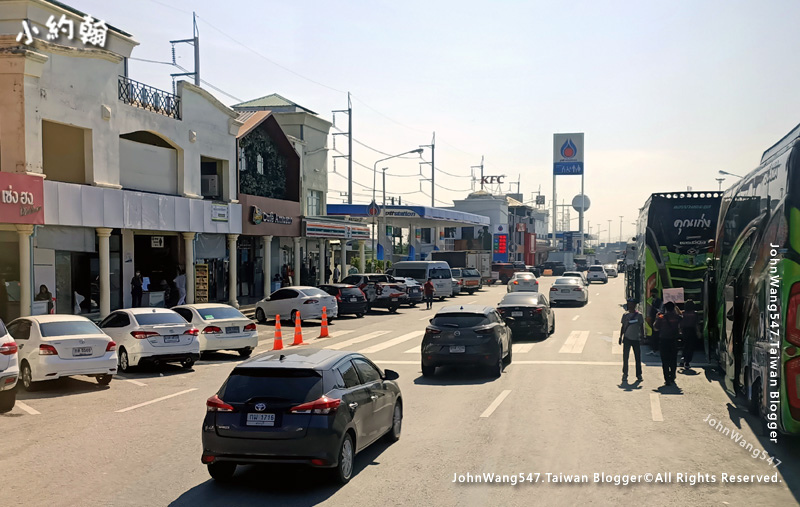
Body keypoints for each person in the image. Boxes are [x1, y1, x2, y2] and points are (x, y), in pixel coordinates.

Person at [654, 301, 682, 386]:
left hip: (664, 341)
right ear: (673, 308)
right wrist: (677, 308)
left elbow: (655, 328)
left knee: (665, 361)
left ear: (665, 309)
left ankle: (667, 379)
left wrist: (656, 318)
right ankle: (672, 376)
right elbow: (682, 317)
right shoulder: (677, 317)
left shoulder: (661, 317)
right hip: (674, 340)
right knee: (673, 360)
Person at [619, 300, 645, 382]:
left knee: (638, 358)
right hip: (627, 338)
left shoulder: (639, 315)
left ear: (635, 305)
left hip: (636, 339)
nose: (631, 306)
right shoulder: (625, 315)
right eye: (629, 304)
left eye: (632, 304)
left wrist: (642, 337)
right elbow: (623, 327)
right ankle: (625, 373)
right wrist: (620, 337)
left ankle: (639, 374)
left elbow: (641, 327)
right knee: (625, 357)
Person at [680, 300, 700, 368]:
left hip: (684, 330)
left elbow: (680, 322)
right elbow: (696, 324)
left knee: (685, 344)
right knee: (690, 346)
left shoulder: (683, 313)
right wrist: (698, 332)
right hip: (692, 330)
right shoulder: (695, 313)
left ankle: (683, 357)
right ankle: (687, 362)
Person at [646, 288, 663, 355]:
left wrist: (653, 308)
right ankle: (654, 349)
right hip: (653, 319)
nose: (652, 294)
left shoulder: (659, 301)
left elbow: (660, 310)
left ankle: (656, 349)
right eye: (651, 293)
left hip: (658, 319)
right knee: (654, 335)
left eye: (654, 293)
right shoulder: (653, 301)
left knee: (657, 335)